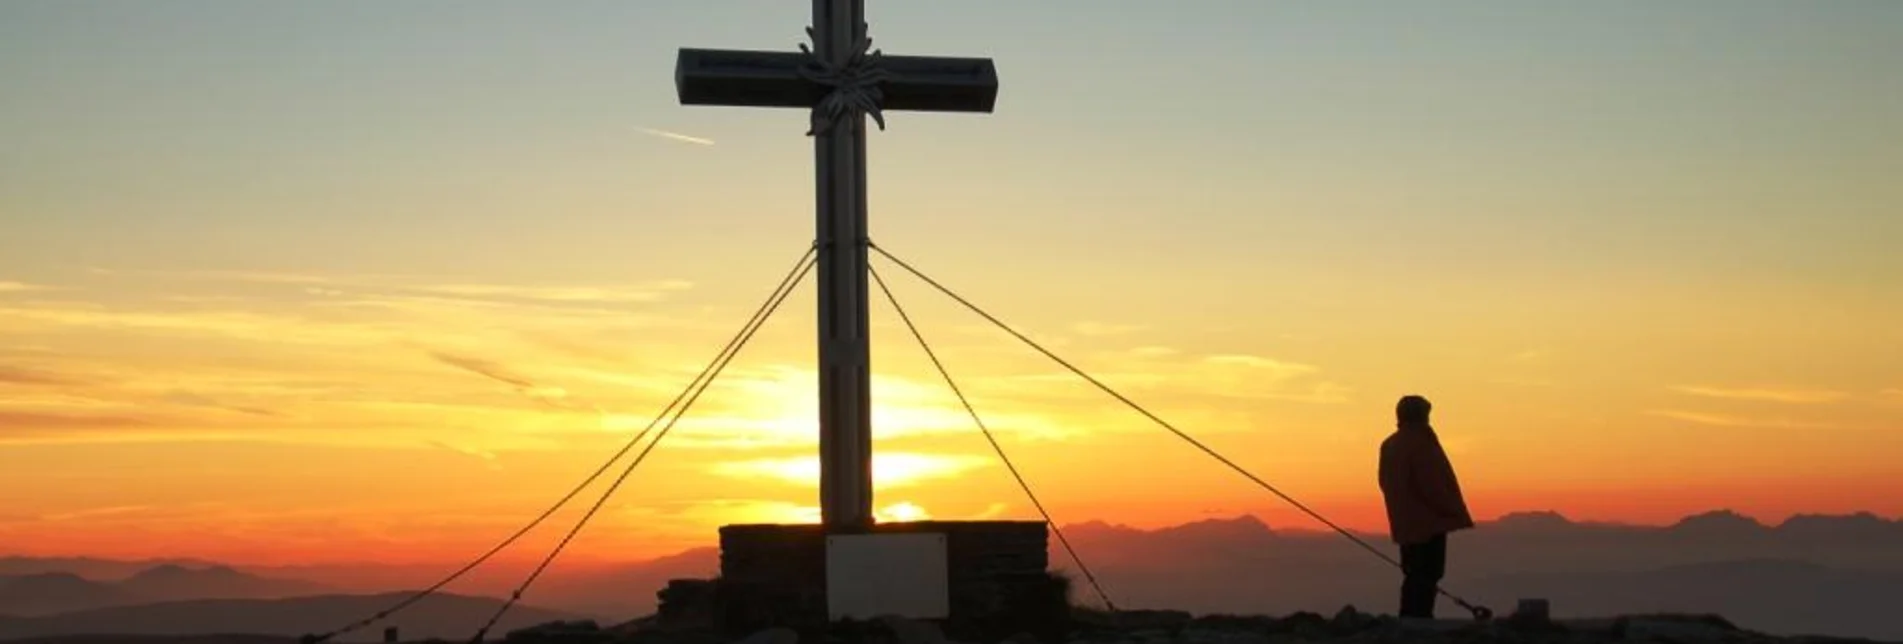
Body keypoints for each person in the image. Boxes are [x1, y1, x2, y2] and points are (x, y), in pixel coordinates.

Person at [1378, 394, 1475, 620]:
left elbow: (1385, 482)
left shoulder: (1390, 444)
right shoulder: (1421, 443)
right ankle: (1420, 619)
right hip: (1429, 522)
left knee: (1412, 572)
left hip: (1404, 521)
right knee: (1429, 572)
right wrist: (1450, 510)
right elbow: (1432, 484)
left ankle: (1410, 617)